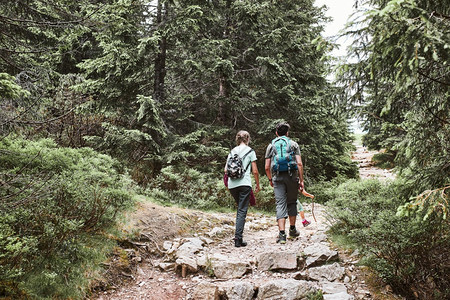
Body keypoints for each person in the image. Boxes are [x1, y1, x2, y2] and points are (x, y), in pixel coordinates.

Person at [265, 122, 304, 244]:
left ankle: (282, 235)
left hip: (277, 177)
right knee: (292, 202)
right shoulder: (293, 144)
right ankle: (292, 230)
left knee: (280, 203)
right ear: (287, 133)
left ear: (276, 133)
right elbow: (299, 164)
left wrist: (271, 179)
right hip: (292, 176)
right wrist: (301, 180)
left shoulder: (271, 146)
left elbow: (267, 167)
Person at [224, 130, 260, 247]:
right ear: (248, 139)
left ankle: (239, 237)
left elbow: (225, 170)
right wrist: (258, 185)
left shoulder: (232, 151)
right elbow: (255, 171)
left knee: (240, 209)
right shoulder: (250, 151)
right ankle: (238, 239)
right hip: (244, 183)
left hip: (232, 184)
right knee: (242, 211)